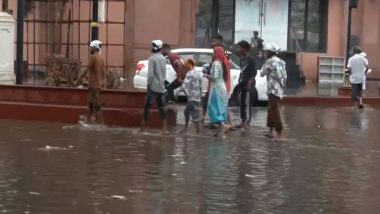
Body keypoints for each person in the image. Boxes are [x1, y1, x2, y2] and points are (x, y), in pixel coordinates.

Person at [140, 40, 168, 134]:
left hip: (153, 86)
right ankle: (164, 128)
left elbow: (151, 75)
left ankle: (143, 127)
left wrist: (148, 84)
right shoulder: (163, 59)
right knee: (161, 106)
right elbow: (164, 74)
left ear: (155, 47)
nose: (151, 48)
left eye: (152, 46)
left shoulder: (152, 59)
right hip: (161, 86)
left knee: (147, 106)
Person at [260, 43, 287, 142]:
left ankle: (279, 133)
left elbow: (262, 73)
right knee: (271, 108)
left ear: (268, 52)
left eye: (265, 52)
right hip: (279, 89)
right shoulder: (282, 62)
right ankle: (270, 131)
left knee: (273, 109)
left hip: (272, 89)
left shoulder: (270, 61)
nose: (264, 53)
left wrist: (265, 61)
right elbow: (285, 76)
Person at [75, 40, 106, 124]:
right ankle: (88, 120)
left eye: (90, 47)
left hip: (94, 85)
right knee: (91, 103)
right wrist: (102, 83)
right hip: (98, 85)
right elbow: (103, 73)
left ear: (94, 48)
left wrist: (78, 80)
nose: (89, 48)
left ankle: (101, 124)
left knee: (96, 103)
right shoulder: (102, 58)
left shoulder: (93, 57)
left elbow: (86, 70)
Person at [205, 47, 230, 138]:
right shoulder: (221, 63)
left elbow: (214, 77)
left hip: (216, 89)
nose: (213, 54)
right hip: (222, 87)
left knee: (214, 108)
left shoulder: (215, 63)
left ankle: (223, 126)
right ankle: (221, 131)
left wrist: (206, 75)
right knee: (220, 109)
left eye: (214, 52)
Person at [234, 40, 257, 129]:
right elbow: (241, 71)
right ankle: (243, 121)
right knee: (242, 103)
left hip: (248, 84)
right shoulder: (242, 59)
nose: (238, 49)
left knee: (247, 103)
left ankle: (247, 123)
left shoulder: (250, 59)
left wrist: (250, 83)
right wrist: (239, 81)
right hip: (242, 84)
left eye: (240, 47)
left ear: (244, 48)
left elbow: (254, 73)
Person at [181, 59, 203, 134]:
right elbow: (200, 86)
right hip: (197, 96)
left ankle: (197, 131)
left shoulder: (189, 73)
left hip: (191, 97)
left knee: (193, 115)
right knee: (187, 112)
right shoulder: (198, 73)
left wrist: (181, 83)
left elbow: (184, 85)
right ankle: (188, 129)